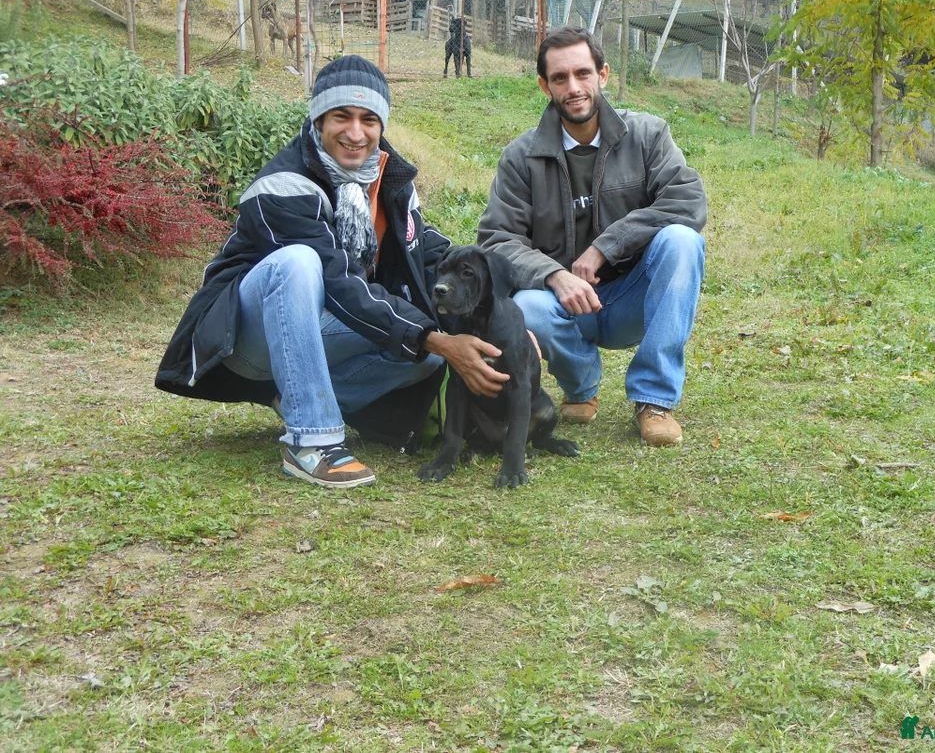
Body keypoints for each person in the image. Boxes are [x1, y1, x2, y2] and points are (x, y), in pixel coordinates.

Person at [156, 56, 508, 489]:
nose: (356, 133)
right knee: (300, 263)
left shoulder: (389, 180)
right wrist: (431, 333)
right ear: (319, 118)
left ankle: (295, 397)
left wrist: (506, 309)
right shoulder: (284, 184)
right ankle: (311, 441)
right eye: (342, 116)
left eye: (368, 119)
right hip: (249, 338)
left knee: (427, 352)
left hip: (319, 331)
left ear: (382, 125)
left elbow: (430, 251)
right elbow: (339, 283)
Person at [477, 26, 707, 447]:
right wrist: (553, 275)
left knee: (682, 241)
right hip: (566, 305)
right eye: (560, 78)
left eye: (583, 73)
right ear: (545, 85)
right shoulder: (521, 157)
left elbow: (688, 202)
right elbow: (496, 239)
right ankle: (581, 386)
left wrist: (606, 246)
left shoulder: (648, 135)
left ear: (603, 75)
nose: (574, 87)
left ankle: (654, 400)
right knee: (527, 305)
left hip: (633, 298)